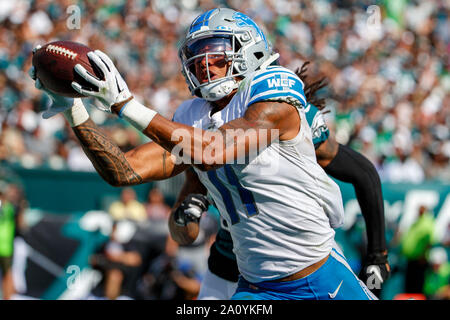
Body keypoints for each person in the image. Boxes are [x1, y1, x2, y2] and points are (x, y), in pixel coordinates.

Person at [30, 8, 375, 300]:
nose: (204, 65)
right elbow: (124, 170)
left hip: (318, 275)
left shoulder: (273, 93)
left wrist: (125, 105)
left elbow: (215, 151)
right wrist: (75, 111)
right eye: (197, 58)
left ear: (249, 50)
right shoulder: (192, 115)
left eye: (215, 54)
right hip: (256, 288)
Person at [174, 62, 390, 300]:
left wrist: (377, 254)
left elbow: (364, 173)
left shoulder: (285, 116)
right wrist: (187, 214)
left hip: (298, 263)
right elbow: (186, 221)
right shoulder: (203, 121)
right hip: (230, 264)